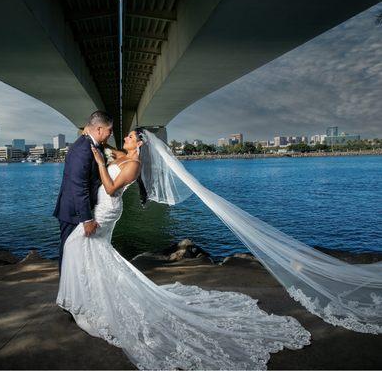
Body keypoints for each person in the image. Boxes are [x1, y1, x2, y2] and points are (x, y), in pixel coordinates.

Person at [56, 127, 311, 370]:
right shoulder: (125, 156)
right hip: (103, 208)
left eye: (130, 136)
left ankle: (94, 296)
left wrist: (100, 163)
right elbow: (111, 151)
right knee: (89, 251)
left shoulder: (134, 165)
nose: (125, 137)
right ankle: (95, 294)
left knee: (80, 246)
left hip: (107, 208)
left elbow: (111, 188)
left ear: (140, 143)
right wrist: (92, 139)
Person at [52, 110, 113, 275]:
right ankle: (66, 291)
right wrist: (87, 219)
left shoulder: (92, 144)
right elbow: (79, 186)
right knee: (68, 251)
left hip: (79, 209)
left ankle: (76, 289)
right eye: (109, 130)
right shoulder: (83, 149)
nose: (111, 134)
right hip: (73, 212)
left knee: (78, 254)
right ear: (99, 129)